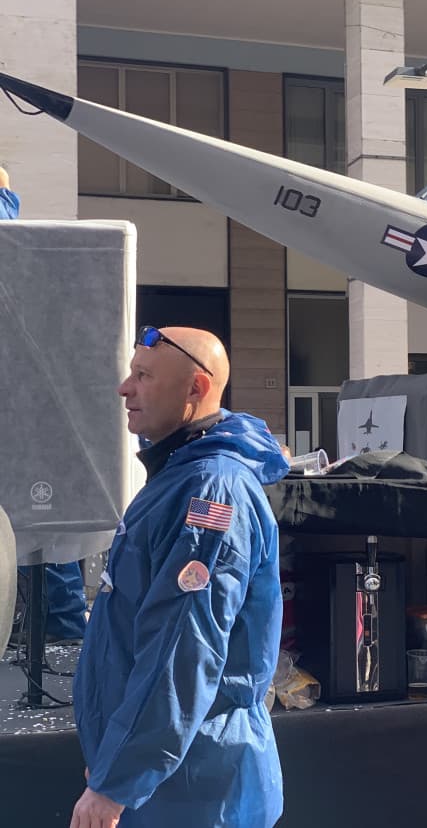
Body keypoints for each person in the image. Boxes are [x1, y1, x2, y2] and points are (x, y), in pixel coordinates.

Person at [71, 326, 288, 828]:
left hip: (196, 787)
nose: (126, 389)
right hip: (168, 779)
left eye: (143, 376)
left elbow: (181, 653)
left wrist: (116, 781)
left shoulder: (211, 493)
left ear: (196, 389)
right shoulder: (179, 478)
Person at [0, 168, 88, 643]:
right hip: (38, 414)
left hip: (25, 412)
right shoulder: (23, 250)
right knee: (44, 533)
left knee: (36, 531)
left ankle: (52, 627)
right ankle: (56, 627)